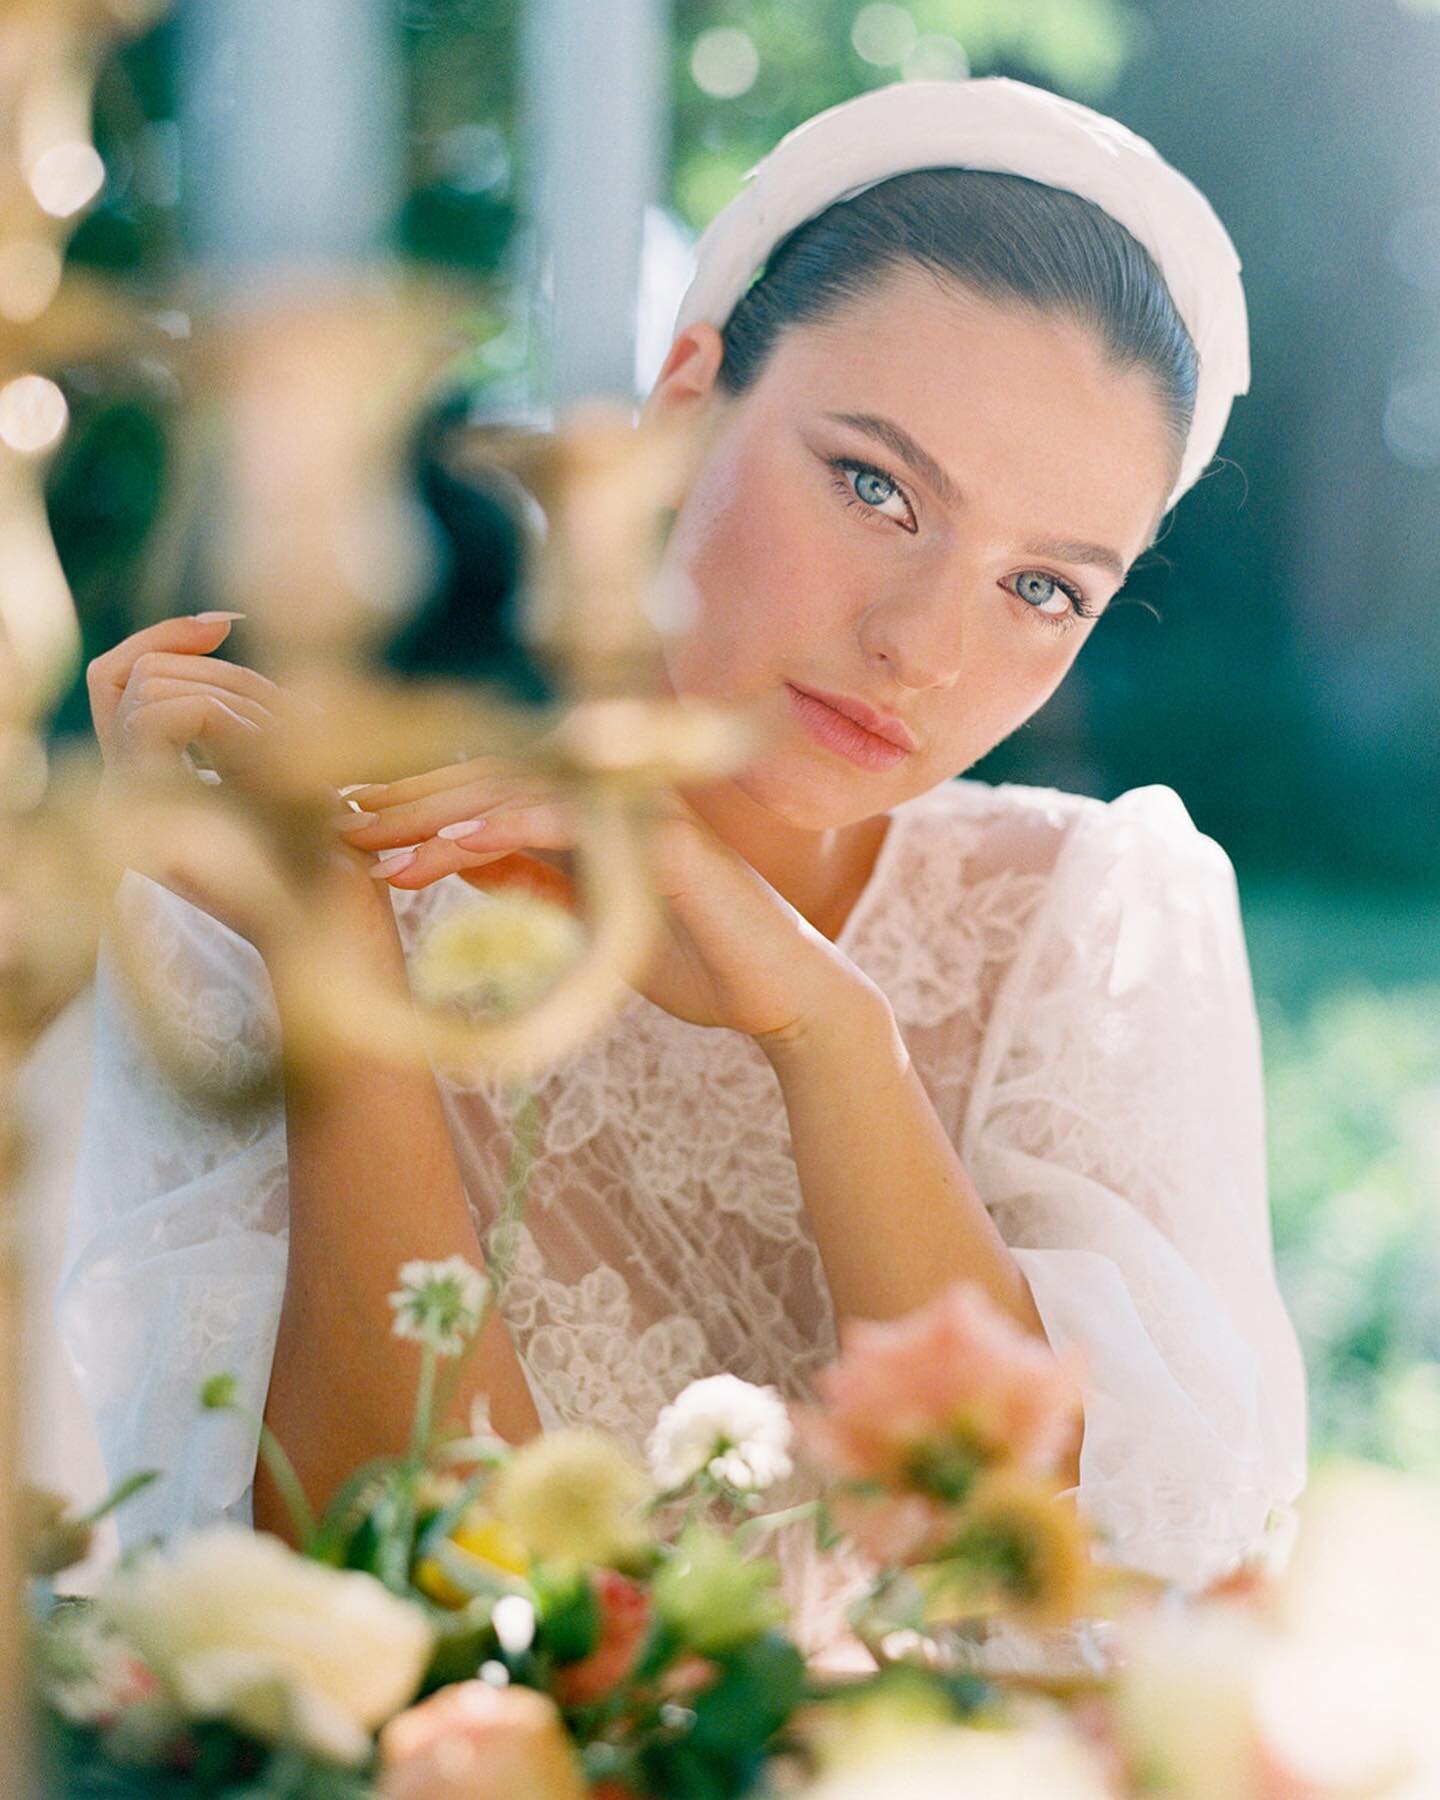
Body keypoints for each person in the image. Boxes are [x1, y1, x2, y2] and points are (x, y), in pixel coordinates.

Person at [58, 77, 1308, 1668]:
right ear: (682, 399)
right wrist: (343, 988)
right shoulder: (295, 878)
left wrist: (827, 1029)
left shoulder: (1079, 929)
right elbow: (382, 1620)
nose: (920, 643)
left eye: (1044, 587)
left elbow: (1063, 1595)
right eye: (874, 485)